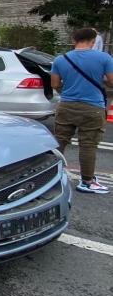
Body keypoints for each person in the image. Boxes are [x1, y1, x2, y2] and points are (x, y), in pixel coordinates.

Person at [51, 27, 113, 194]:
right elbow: (111, 82)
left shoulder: (60, 59)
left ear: (73, 40)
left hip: (66, 105)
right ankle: (86, 181)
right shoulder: (104, 58)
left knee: (59, 142)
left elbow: (55, 85)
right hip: (93, 107)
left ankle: (49, 176)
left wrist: (69, 90)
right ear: (93, 41)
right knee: (88, 145)